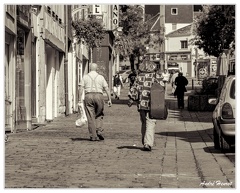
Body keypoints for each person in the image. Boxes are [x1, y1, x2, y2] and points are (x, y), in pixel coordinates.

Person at [128, 60, 163, 151]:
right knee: (150, 122)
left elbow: (134, 88)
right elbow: (162, 88)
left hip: (141, 103)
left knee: (144, 122)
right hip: (153, 103)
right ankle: (148, 143)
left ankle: (145, 141)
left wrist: (131, 99)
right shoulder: (156, 76)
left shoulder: (139, 76)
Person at [78, 63, 112, 141]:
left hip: (88, 96)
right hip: (99, 96)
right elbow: (107, 88)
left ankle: (93, 136)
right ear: (96, 69)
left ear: (89, 68)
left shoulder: (85, 77)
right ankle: (99, 130)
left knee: (90, 116)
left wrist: (79, 99)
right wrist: (109, 99)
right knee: (99, 114)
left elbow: (81, 88)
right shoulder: (101, 77)